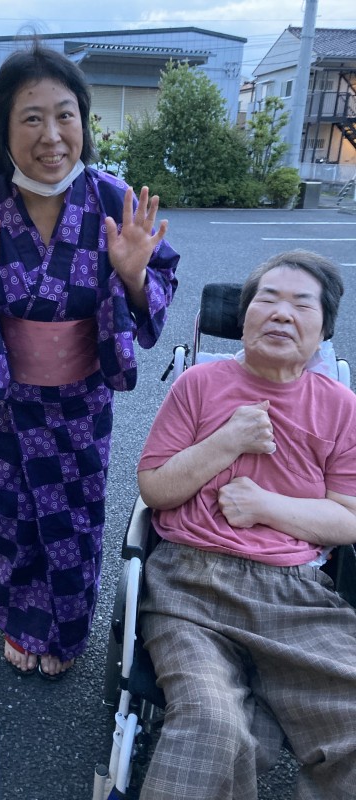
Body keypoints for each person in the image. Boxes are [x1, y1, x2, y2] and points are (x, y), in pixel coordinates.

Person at [0, 43, 179, 679]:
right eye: (31, 117)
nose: (52, 135)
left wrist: (133, 275)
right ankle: (17, 623)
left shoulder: (114, 200)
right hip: (10, 399)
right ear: (3, 126)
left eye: (66, 114)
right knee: (9, 515)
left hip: (83, 401)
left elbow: (158, 284)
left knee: (77, 520)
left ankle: (63, 631)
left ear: (84, 120)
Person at [137, 250, 356, 800]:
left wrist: (264, 507)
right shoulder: (199, 385)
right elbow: (155, 488)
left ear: (324, 329)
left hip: (297, 598)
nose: (282, 313)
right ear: (245, 316)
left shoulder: (341, 408)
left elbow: (349, 518)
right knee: (211, 725)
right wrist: (227, 441)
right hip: (191, 584)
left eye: (302, 305)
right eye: (268, 299)